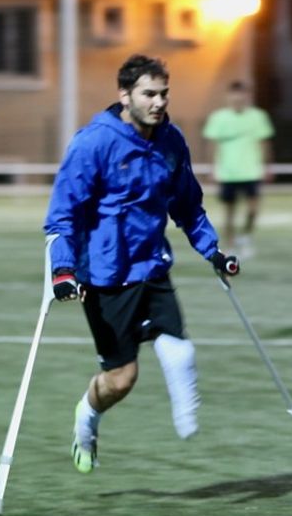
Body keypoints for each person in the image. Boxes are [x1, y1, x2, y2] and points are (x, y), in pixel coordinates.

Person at [44, 54, 240, 474]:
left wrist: (213, 252)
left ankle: (186, 415)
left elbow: (188, 204)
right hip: (104, 275)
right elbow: (63, 215)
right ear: (124, 95)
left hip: (152, 265)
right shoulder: (93, 142)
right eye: (148, 93)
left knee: (180, 350)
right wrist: (62, 270)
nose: (158, 102)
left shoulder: (171, 141)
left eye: (163, 93)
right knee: (121, 379)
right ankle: (86, 418)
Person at [202, 81, 275, 259]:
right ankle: (230, 245)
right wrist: (212, 169)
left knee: (253, 209)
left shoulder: (258, 116)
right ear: (228, 96)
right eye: (235, 94)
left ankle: (246, 236)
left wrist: (267, 167)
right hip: (228, 173)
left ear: (247, 97)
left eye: (242, 95)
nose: (238, 98)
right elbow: (212, 145)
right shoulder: (218, 118)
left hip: (251, 171)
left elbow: (265, 143)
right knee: (229, 212)